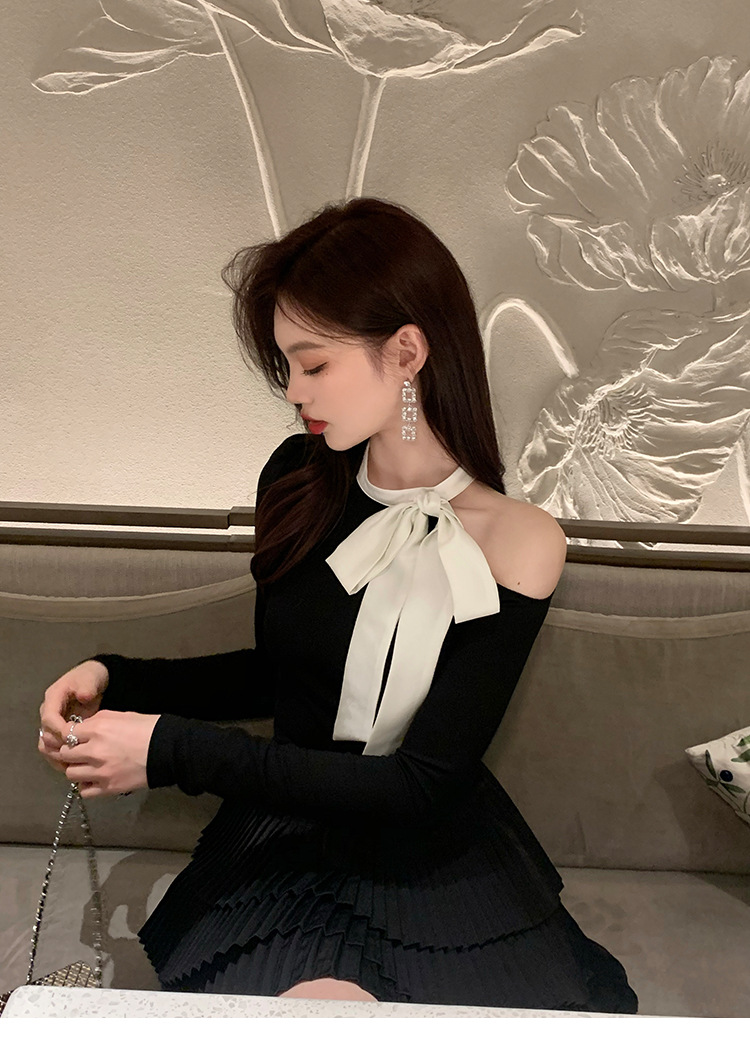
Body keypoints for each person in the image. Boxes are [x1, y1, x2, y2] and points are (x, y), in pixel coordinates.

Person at [38, 197, 638, 1012]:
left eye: (313, 365)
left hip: (430, 852)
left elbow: (420, 783)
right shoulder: (297, 479)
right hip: (293, 828)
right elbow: (286, 676)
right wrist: (118, 676)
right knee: (317, 1007)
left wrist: (170, 749)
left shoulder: (522, 540)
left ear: (407, 352)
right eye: (285, 366)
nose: (293, 391)